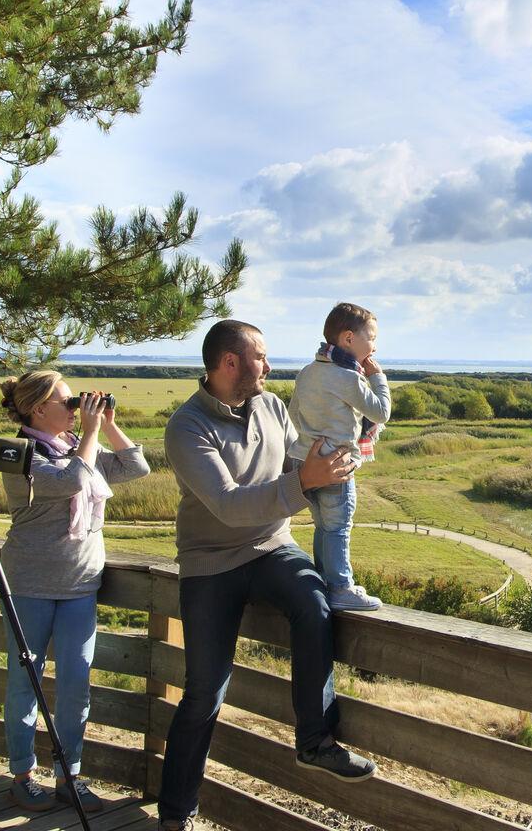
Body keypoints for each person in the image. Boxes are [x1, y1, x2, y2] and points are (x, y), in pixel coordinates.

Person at [156, 320, 377, 831]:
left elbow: (299, 462)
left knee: (315, 603)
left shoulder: (273, 408)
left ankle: (315, 741)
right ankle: (175, 815)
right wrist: (304, 482)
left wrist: (344, 448)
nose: (269, 366)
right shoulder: (186, 427)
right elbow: (230, 506)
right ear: (229, 362)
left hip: (273, 545)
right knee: (205, 691)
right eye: (261, 357)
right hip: (211, 561)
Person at [0, 371, 152, 813]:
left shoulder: (74, 447)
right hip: (31, 585)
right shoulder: (21, 455)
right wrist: (89, 432)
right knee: (25, 683)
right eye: (68, 403)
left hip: (81, 584)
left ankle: (69, 774)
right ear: (38, 409)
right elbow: (72, 482)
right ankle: (23, 775)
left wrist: (108, 422)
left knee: (75, 685)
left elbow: (136, 466)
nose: (75, 409)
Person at [288, 303, 391, 611]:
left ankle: (323, 578)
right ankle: (341, 586)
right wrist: (378, 378)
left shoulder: (308, 372)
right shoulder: (349, 378)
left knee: (323, 525)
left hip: (305, 461)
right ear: (349, 338)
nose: (374, 345)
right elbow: (380, 411)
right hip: (336, 464)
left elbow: (293, 413)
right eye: (371, 337)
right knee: (338, 526)